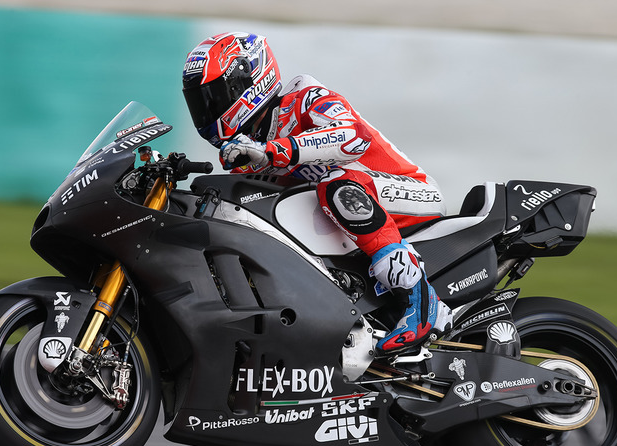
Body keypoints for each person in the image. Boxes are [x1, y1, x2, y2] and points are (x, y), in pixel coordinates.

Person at [181, 31, 452, 354]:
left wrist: (272, 151)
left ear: (247, 83)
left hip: (409, 192)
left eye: (214, 96)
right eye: (201, 102)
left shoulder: (305, 97)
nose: (208, 110)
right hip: (350, 224)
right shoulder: (245, 154)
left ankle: (420, 299)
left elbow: (354, 138)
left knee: (337, 183)